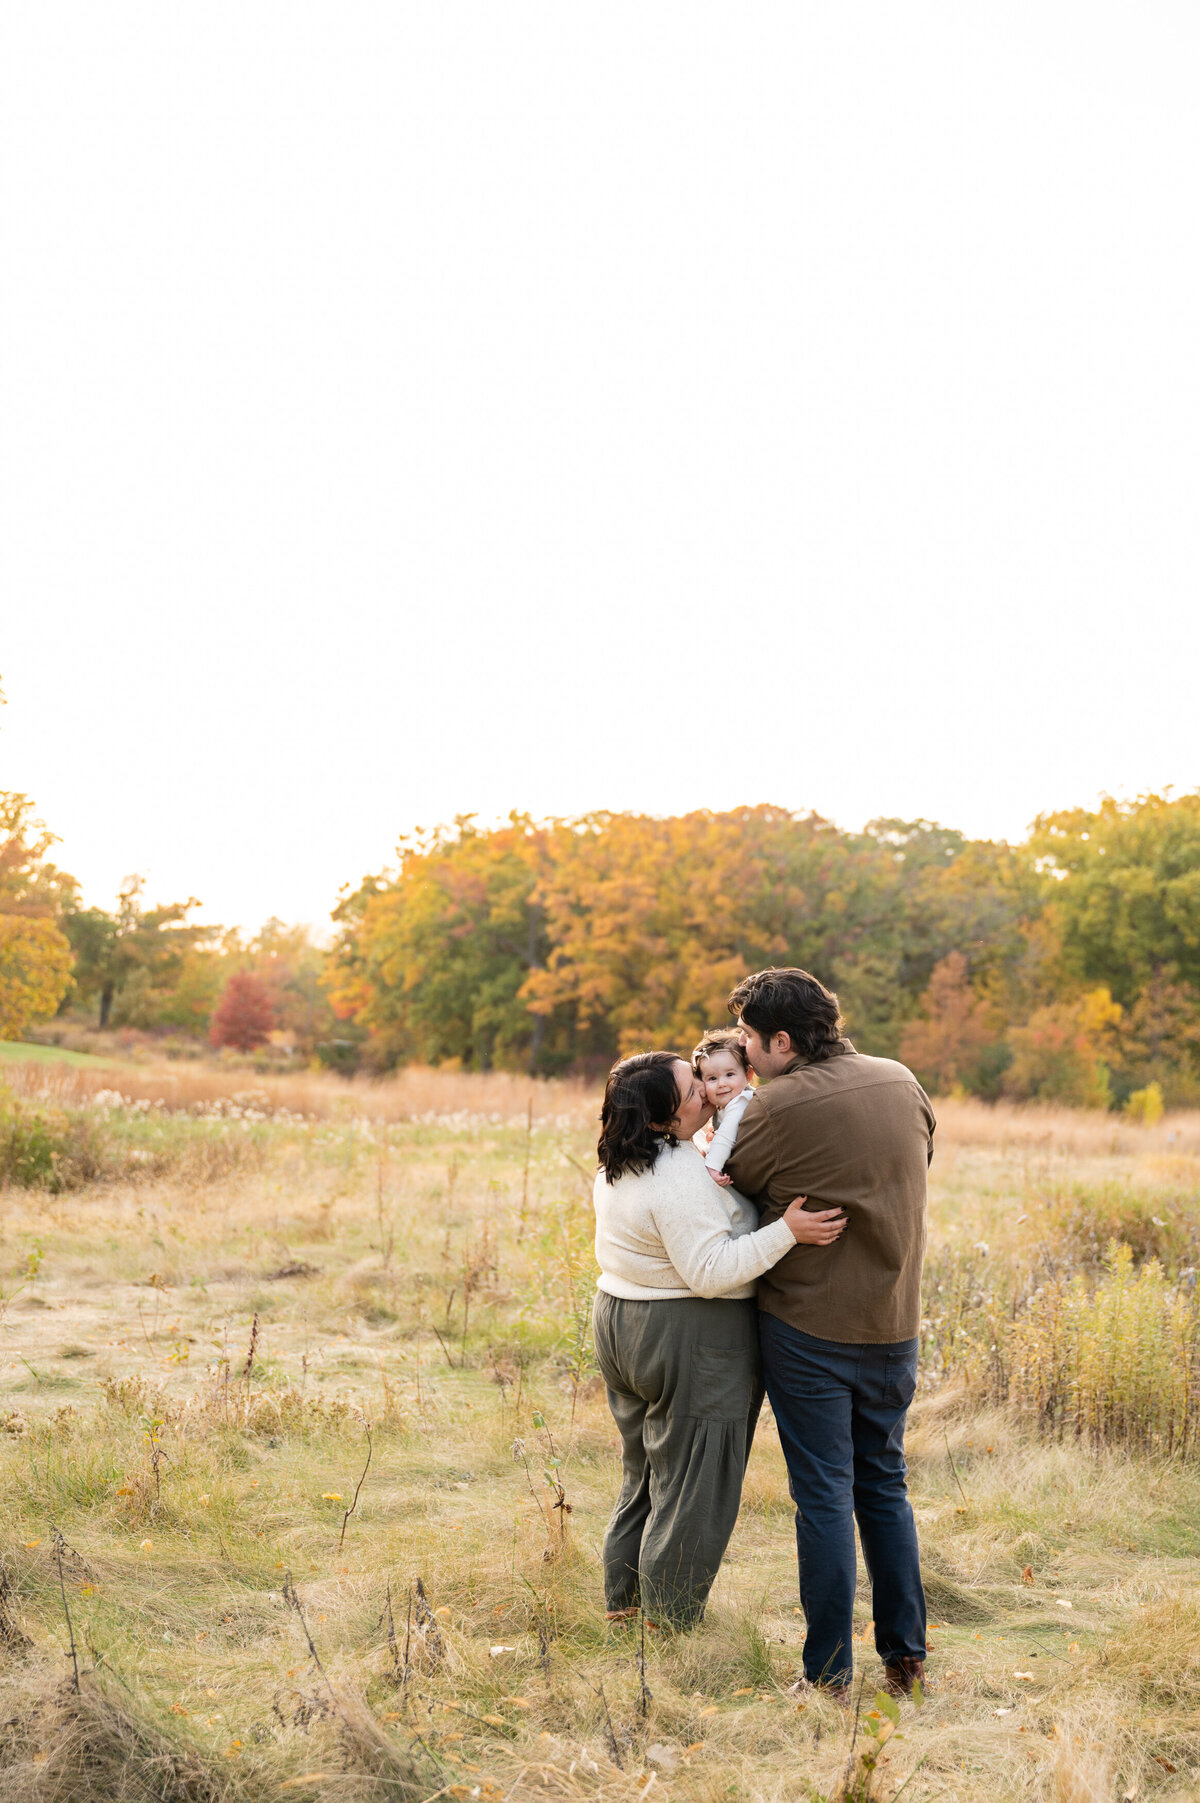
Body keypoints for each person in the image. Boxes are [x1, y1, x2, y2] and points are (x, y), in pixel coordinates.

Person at [723, 968, 936, 1702]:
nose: (745, 1056)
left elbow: (734, 1188)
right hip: (894, 1323)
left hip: (809, 1329)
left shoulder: (775, 1108)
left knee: (823, 1496)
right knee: (884, 1486)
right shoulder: (903, 1080)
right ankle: (906, 1660)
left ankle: (828, 1676)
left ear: (783, 1040)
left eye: (750, 1041)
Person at [592, 1050, 847, 1629]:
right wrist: (789, 1231)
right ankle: (670, 1622)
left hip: (620, 1320)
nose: (708, 1092)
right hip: (686, 1334)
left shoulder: (623, 1158)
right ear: (661, 1116)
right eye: (692, 1091)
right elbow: (709, 1271)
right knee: (695, 1482)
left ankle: (625, 1605)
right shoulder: (676, 1172)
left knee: (647, 1473)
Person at [692, 1029, 755, 1183]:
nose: (722, 1084)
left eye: (729, 1074)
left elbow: (726, 1137)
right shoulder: (724, 1105)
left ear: (748, 1075)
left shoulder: (742, 1101)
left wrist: (712, 1167)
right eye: (712, 1078)